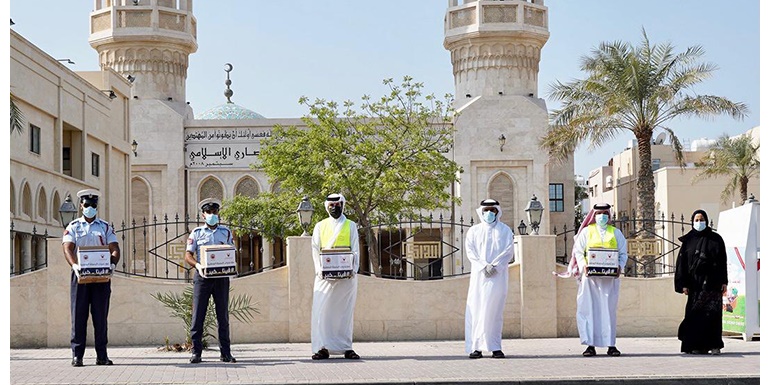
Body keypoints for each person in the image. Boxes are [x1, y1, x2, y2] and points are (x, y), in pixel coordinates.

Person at [62, 189, 120, 367]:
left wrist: (112, 264)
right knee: (78, 316)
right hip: (80, 276)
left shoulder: (105, 227)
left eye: (93, 205)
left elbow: (115, 248)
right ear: (81, 206)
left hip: (101, 277)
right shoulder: (73, 226)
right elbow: (68, 248)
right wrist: (74, 266)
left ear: (97, 206)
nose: (90, 208)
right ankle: (77, 356)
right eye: (87, 205)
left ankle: (102, 356)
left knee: (100, 317)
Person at [571, 203, 628, 357]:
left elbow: (623, 254)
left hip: (609, 280)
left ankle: (611, 345)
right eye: (599, 213)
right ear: (594, 215)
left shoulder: (616, 233)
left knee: (608, 311)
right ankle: (590, 345)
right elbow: (578, 251)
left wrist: (619, 267)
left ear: (609, 216)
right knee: (590, 310)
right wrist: (584, 266)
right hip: (590, 280)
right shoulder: (586, 232)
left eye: (605, 213)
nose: (602, 216)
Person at [185, 198, 237, 364]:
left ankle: (226, 353)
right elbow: (188, 255)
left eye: (215, 212)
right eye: (209, 213)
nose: (212, 215)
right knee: (198, 315)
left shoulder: (226, 232)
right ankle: (196, 352)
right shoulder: (196, 233)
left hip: (221, 278)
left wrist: (231, 264)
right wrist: (197, 265)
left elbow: (231, 251)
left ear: (218, 213)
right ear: (203, 215)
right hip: (203, 278)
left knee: (223, 316)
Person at [310, 193, 361, 360]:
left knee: (343, 314)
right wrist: (320, 270)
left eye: (337, 205)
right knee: (322, 312)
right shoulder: (320, 226)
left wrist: (353, 270)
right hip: (325, 277)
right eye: (331, 205)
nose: (334, 208)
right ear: (327, 207)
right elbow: (315, 250)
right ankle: (322, 348)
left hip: (346, 278)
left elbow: (355, 249)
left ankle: (346, 348)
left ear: (342, 205)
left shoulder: (351, 225)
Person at [464, 199, 515, 359]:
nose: (489, 213)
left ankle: (495, 347)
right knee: (477, 310)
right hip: (479, 278)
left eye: (492, 210)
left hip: (497, 277)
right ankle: (476, 347)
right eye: (486, 210)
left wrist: (495, 266)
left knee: (494, 312)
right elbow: (470, 251)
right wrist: (483, 266)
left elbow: (508, 251)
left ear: (497, 211)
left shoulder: (505, 230)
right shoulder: (474, 231)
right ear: (481, 211)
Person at [674, 209, 727, 355]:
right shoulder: (688, 241)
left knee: (713, 315)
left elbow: (722, 261)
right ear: (692, 222)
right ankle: (695, 346)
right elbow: (682, 264)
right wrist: (683, 284)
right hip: (694, 285)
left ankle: (714, 345)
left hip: (713, 283)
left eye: (701, 219)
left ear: (707, 220)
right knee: (694, 315)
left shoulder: (716, 239)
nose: (699, 222)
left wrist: (724, 281)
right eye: (696, 220)